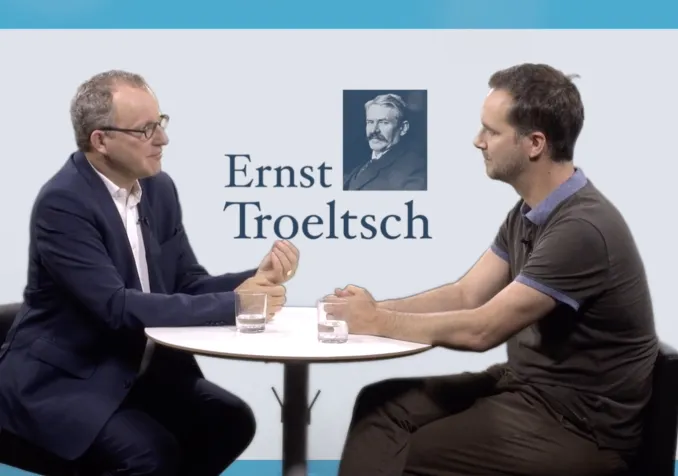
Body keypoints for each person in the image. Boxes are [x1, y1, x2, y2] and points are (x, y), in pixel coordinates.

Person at [327, 64, 658, 475]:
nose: (478, 141)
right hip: (527, 387)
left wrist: (377, 321)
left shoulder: (582, 229)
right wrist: (374, 309)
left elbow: (482, 330)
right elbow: (466, 294)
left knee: (406, 449)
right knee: (380, 405)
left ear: (534, 144)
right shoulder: (529, 212)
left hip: (579, 426)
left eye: (492, 131)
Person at [0, 70, 300, 476]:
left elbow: (186, 283)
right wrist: (237, 305)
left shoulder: (158, 189)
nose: (163, 139)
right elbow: (115, 307)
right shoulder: (63, 203)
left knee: (229, 421)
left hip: (136, 370)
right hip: (66, 379)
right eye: (145, 130)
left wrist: (253, 279)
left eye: (161, 123)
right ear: (100, 141)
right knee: (148, 455)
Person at [343, 93, 426, 191]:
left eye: (384, 122)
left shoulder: (414, 170)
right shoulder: (361, 163)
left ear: (403, 128)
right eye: (370, 122)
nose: (374, 130)